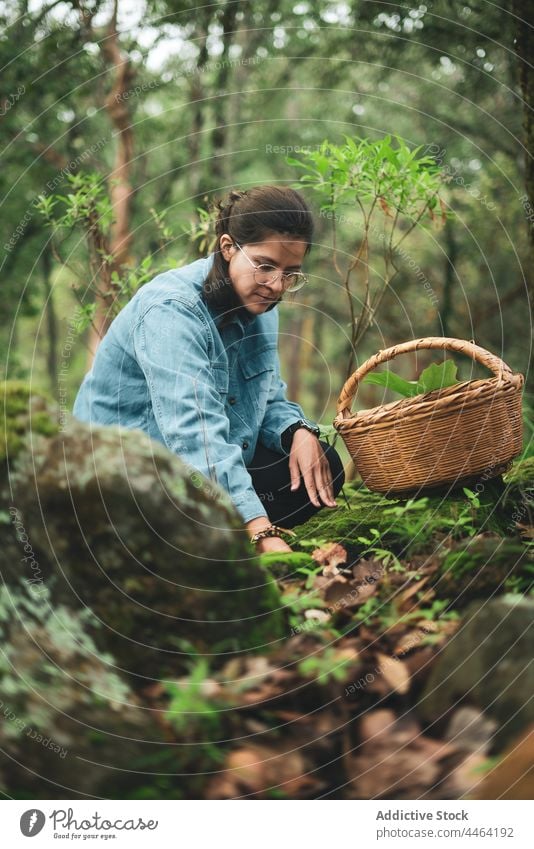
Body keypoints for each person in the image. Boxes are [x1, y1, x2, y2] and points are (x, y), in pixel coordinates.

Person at [73, 185, 345, 555]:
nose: (276, 286)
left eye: (290, 273)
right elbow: (191, 430)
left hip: (199, 463)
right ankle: (190, 538)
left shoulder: (262, 304)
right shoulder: (171, 310)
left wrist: (297, 431)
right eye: (265, 266)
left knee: (321, 465)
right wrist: (259, 527)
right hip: (127, 473)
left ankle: (212, 530)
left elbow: (269, 396)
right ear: (229, 246)